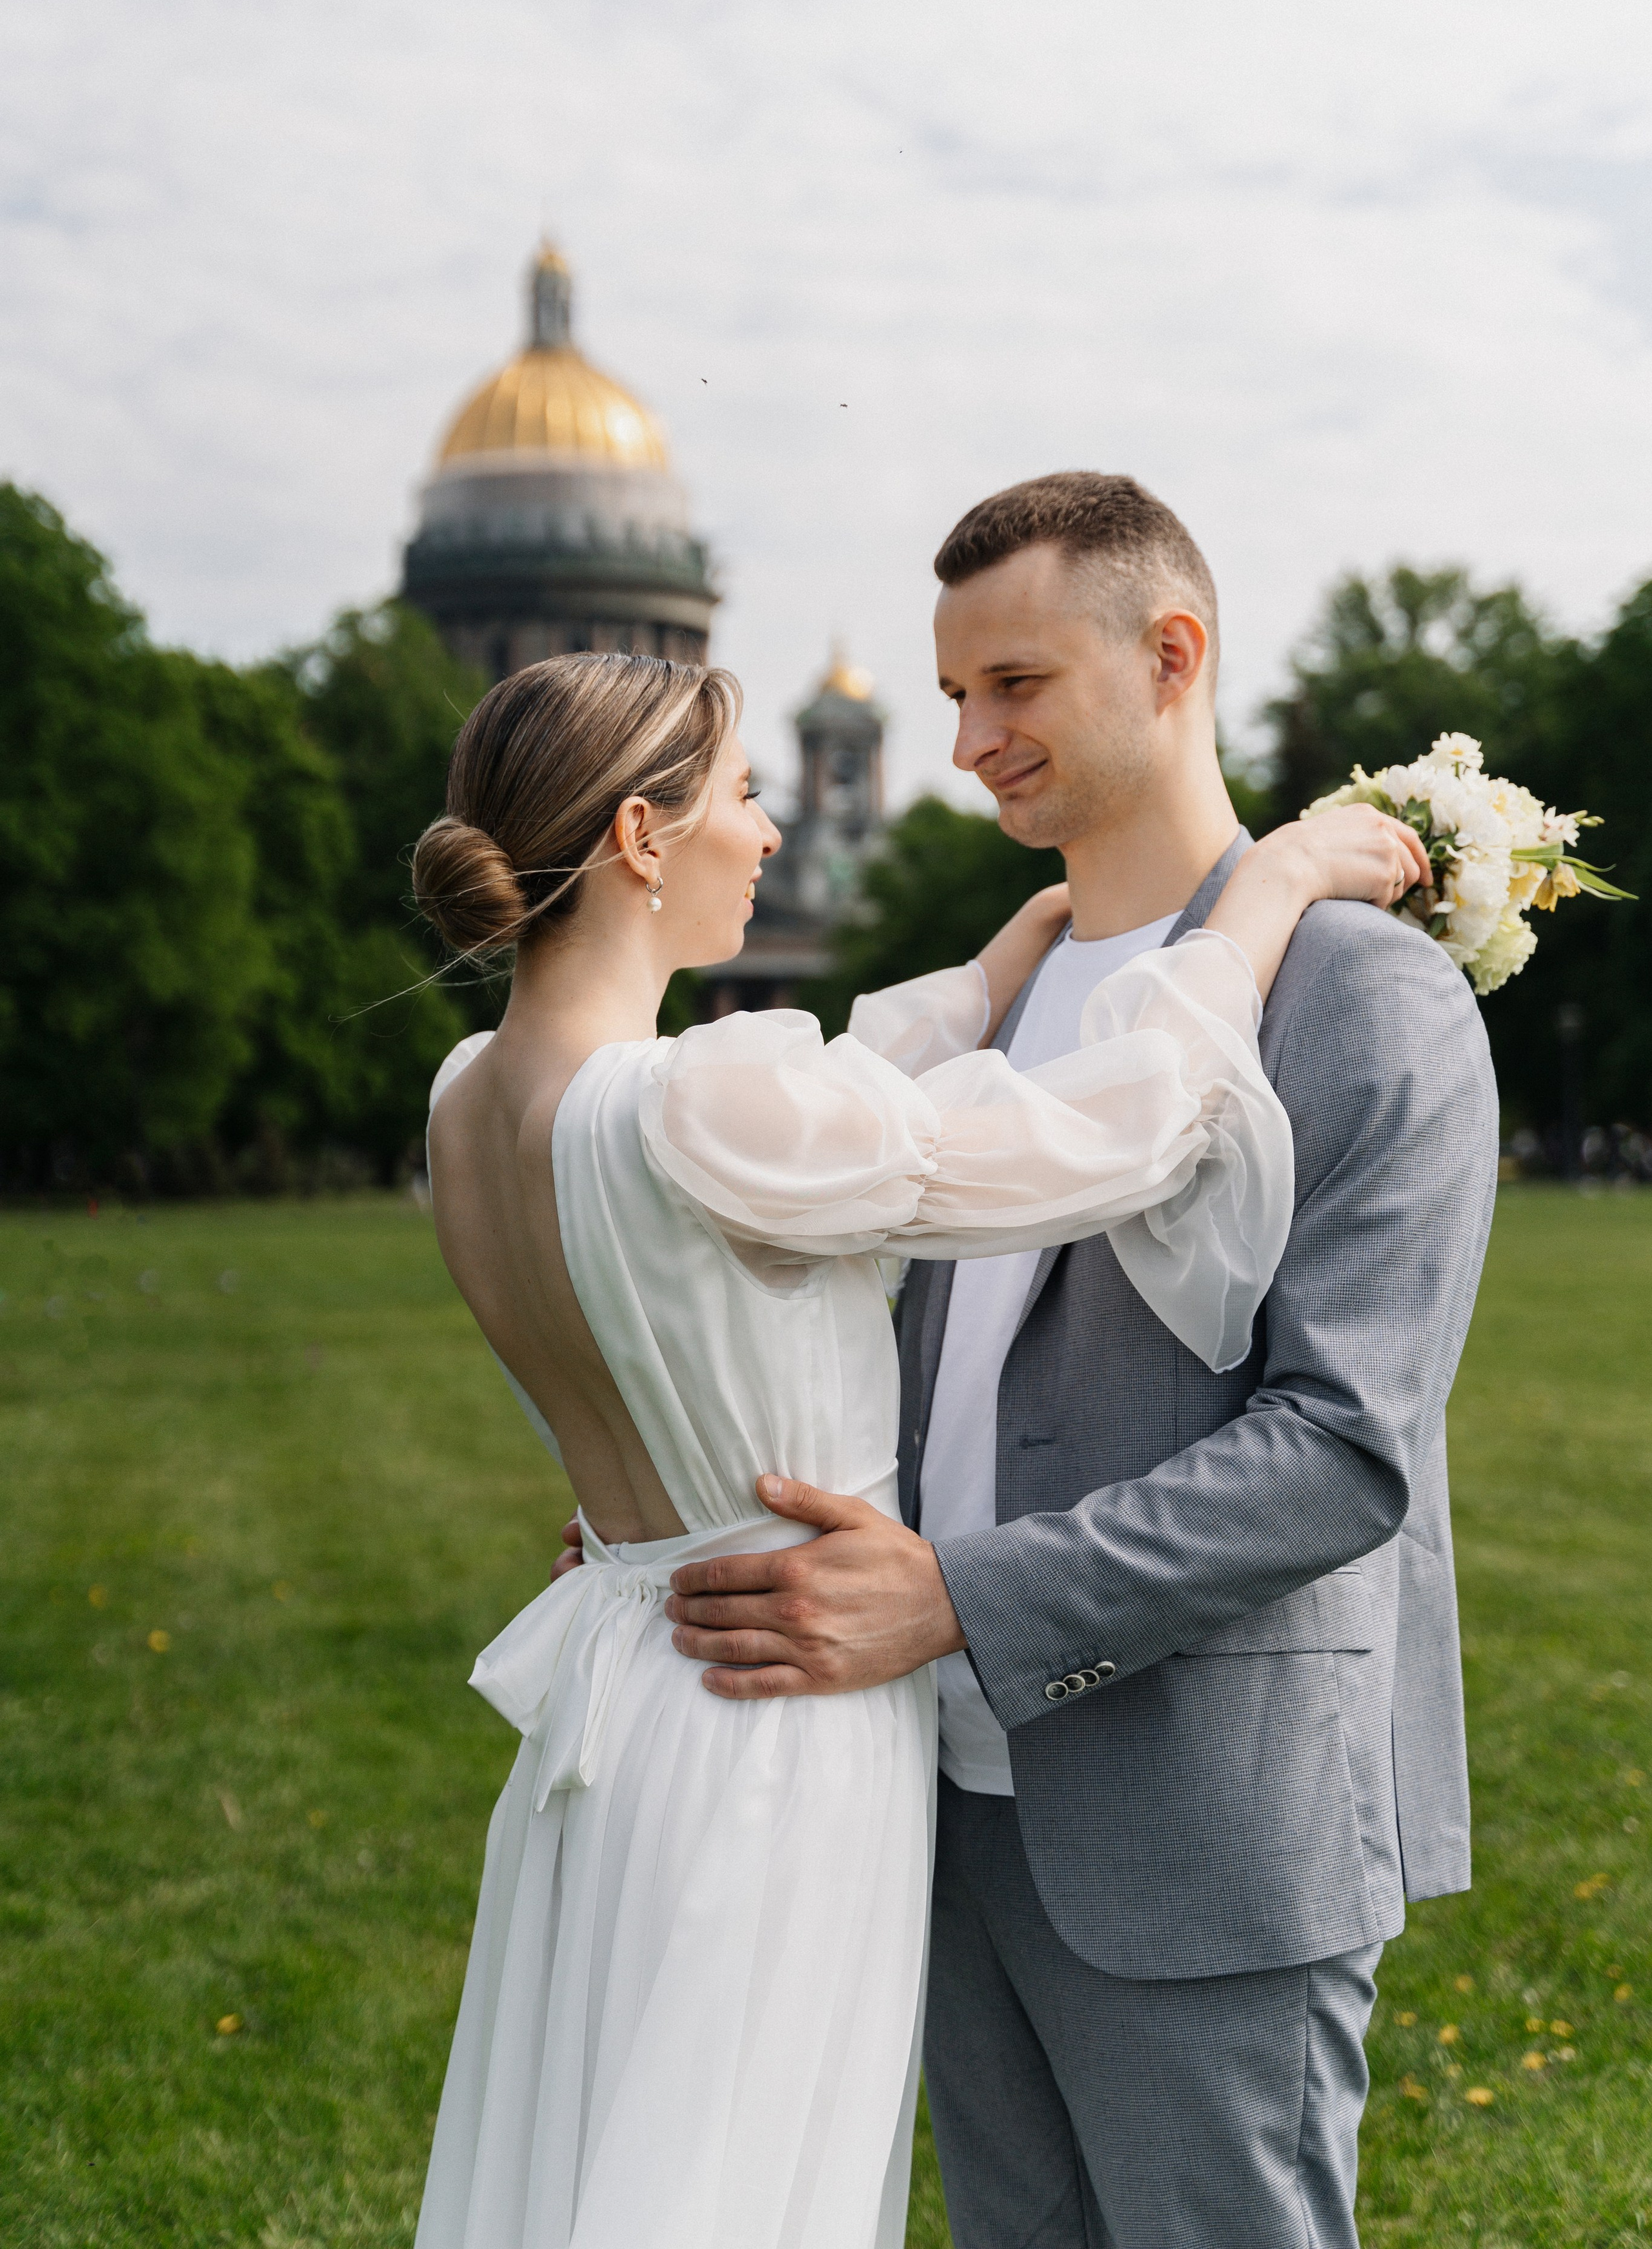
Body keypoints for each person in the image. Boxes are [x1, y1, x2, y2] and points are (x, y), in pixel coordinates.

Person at [408, 645, 1426, 2249]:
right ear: (637, 839)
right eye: (739, 796)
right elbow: (1124, 1124)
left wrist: (1000, 962)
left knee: (623, 2160)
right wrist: (1269, 887)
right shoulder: (697, 1103)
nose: (759, 831)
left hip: (632, 1688)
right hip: (777, 1723)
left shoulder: (471, 1103)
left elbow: (804, 1135)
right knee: (747, 2192)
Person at [665, 475, 1501, 2249]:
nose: (965, 739)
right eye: (952, 692)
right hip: (950, 1820)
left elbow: (1345, 1450)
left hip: (1204, 1826)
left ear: (1170, 656)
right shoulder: (1002, 991)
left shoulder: (1362, 994)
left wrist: (954, 1598)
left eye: (1014, 685)